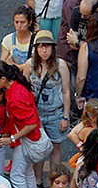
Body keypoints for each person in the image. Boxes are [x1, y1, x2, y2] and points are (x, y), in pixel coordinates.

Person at [0, 61, 52, 188]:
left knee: (17, 175)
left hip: (26, 140)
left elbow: (30, 124)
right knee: (27, 173)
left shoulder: (15, 97)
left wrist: (12, 138)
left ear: (3, 79)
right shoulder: (17, 88)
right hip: (29, 139)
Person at [25, 30, 71, 175]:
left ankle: (55, 179)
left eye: (47, 46)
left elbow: (66, 91)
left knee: (55, 147)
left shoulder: (61, 65)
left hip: (55, 113)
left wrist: (65, 116)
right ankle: (38, 181)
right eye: (40, 46)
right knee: (39, 148)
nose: (44, 50)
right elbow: (24, 91)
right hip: (36, 114)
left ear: (53, 48)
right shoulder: (29, 65)